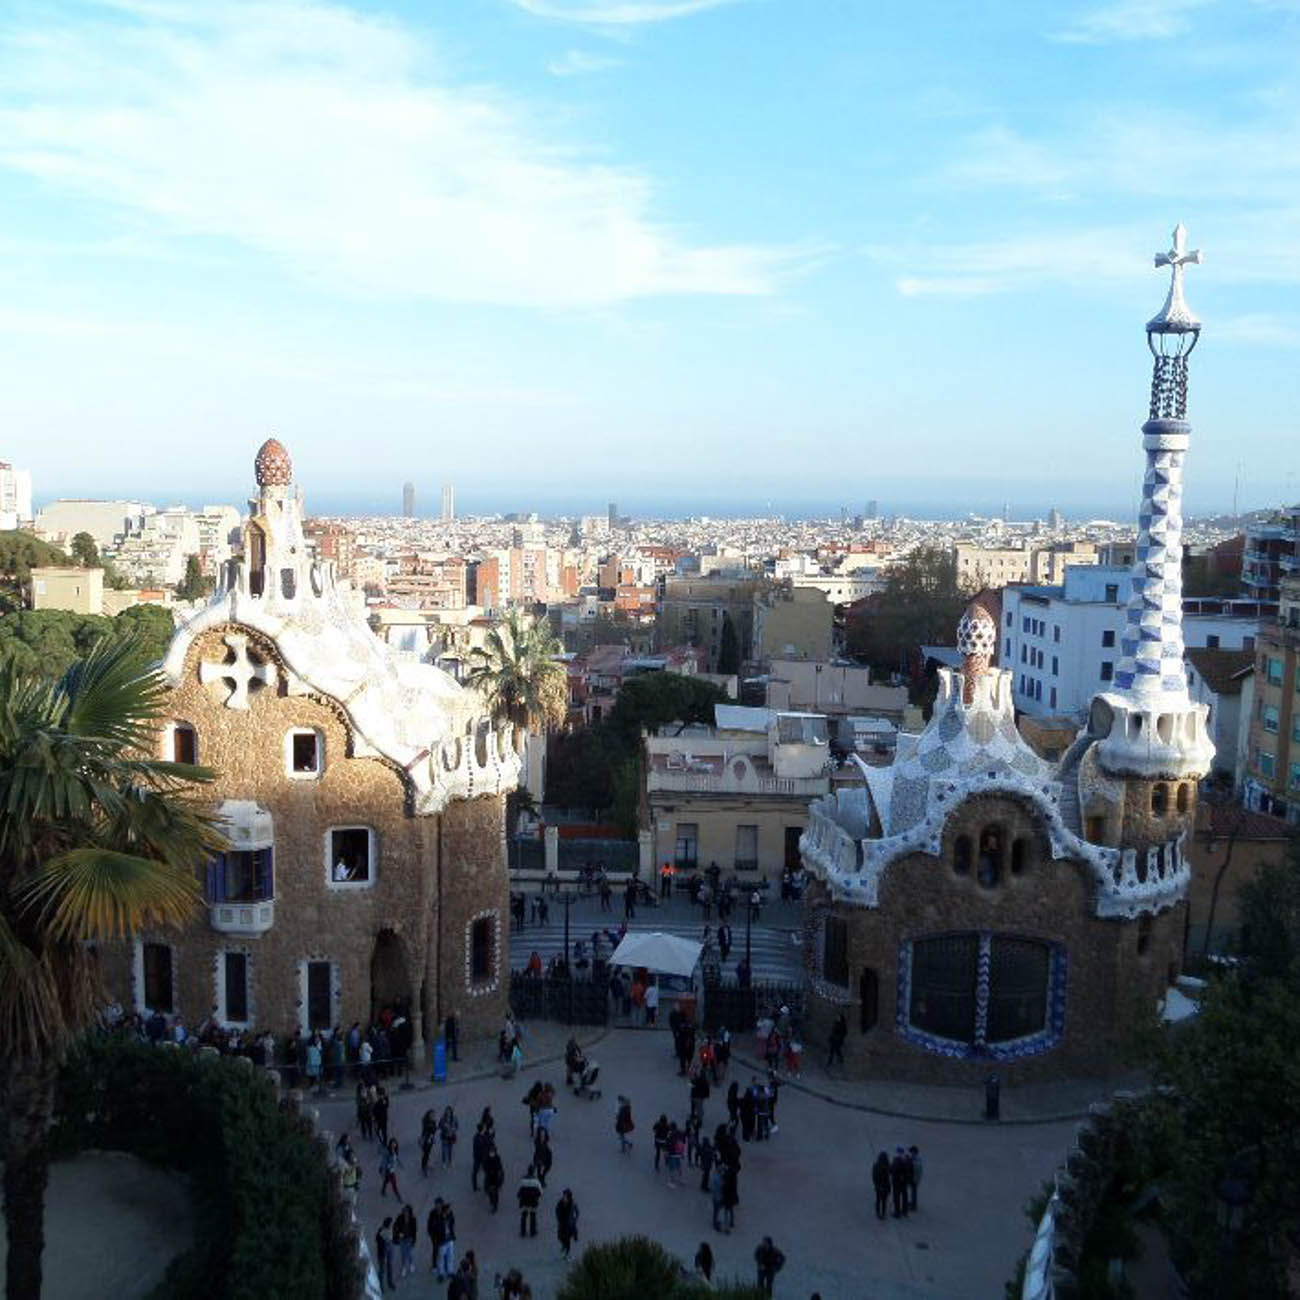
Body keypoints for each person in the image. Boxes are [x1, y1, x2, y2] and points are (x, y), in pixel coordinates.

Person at [517, 1164, 543, 1238]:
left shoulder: (523, 1180)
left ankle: (523, 1231)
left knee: (524, 1215)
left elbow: (519, 1189)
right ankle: (532, 1231)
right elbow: (540, 1191)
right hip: (533, 1201)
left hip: (524, 1200)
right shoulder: (536, 1181)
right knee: (533, 1215)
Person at [556, 1187, 579, 1259]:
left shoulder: (573, 1203)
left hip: (569, 1224)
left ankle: (567, 1253)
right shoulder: (560, 1203)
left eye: (566, 1196)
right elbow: (556, 1210)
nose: (564, 1197)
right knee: (560, 1237)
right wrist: (558, 1218)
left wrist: (575, 1219)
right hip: (561, 1223)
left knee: (567, 1238)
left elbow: (577, 1212)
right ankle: (564, 1245)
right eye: (564, 1195)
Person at [394, 1204, 417, 1279]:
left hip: (409, 1238)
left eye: (407, 1211)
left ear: (409, 1212)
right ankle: (404, 1267)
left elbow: (414, 1231)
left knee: (409, 1253)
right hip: (402, 1239)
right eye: (404, 1211)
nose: (405, 1212)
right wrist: (398, 1234)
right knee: (403, 1253)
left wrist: (414, 1240)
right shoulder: (400, 1218)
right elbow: (395, 1226)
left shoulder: (413, 1219)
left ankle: (411, 1264)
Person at [483, 1142, 505, 1213]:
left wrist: (499, 1175)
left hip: (495, 1177)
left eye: (493, 1152)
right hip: (489, 1177)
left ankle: (495, 1205)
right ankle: (491, 1201)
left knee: (495, 1192)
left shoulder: (497, 1158)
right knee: (489, 1191)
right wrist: (488, 1171)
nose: (491, 1153)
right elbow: (484, 1166)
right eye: (491, 1152)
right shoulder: (487, 1158)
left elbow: (500, 1168)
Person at [375, 1216, 395, 1292]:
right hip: (383, 1253)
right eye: (391, 1224)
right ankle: (380, 1285)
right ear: (388, 1224)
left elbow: (392, 1238)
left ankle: (390, 1282)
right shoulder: (382, 1231)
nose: (392, 1225)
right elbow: (378, 1240)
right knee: (382, 1270)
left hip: (389, 1250)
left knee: (390, 1267)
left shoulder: (390, 1229)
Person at [890, 1147, 910, 1219]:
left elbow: (892, 1170)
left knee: (897, 1197)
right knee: (904, 1196)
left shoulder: (896, 1160)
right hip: (904, 1182)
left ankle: (897, 1213)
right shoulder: (907, 1160)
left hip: (897, 1182)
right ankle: (905, 1211)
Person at [872, 1151, 891, 1221]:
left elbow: (874, 1177)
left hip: (878, 1186)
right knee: (884, 1201)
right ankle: (883, 1213)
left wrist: (876, 1184)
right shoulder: (888, 1166)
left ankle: (878, 1212)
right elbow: (891, 1173)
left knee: (878, 1199)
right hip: (886, 1186)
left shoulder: (876, 1166)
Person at [471, 1121, 490, 1191]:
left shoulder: (481, 1136)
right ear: (482, 1129)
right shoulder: (477, 1138)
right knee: (476, 1172)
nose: (485, 1129)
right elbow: (481, 1148)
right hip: (479, 1158)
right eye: (484, 1128)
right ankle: (475, 1186)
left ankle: (485, 1186)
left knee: (485, 1172)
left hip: (481, 1157)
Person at [420, 1108, 438, 1177]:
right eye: (432, 1114)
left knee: (428, 1153)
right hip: (425, 1140)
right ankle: (423, 1167)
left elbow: (434, 1130)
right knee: (425, 1154)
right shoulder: (426, 1121)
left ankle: (426, 1164)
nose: (433, 1116)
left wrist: (435, 1125)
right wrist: (432, 1126)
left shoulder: (433, 1121)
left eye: (434, 1115)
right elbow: (426, 1130)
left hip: (431, 1140)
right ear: (428, 1115)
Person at [908, 1144, 923, 1211]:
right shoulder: (914, 1158)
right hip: (912, 1178)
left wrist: (911, 1162)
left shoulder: (918, 1159)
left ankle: (914, 1206)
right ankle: (913, 1203)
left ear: (915, 1152)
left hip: (915, 1179)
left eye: (912, 1152)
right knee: (912, 1192)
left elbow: (917, 1168)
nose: (911, 1153)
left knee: (914, 1192)